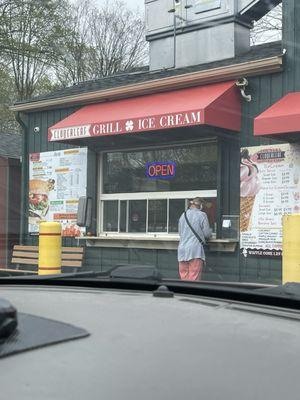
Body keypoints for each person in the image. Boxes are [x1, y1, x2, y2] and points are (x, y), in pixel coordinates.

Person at [178, 197, 212, 281]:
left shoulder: (183, 215)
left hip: (182, 250)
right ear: (200, 205)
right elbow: (207, 234)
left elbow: (180, 233)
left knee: (184, 276)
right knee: (194, 277)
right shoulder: (202, 215)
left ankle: (183, 293)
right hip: (195, 250)